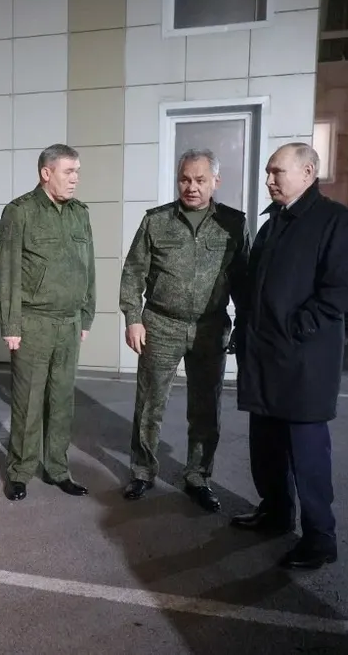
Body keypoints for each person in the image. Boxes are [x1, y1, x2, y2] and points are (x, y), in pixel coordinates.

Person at [230, 142, 348, 570]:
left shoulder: (336, 222)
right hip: (265, 357)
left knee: (307, 454)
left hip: (305, 361)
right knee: (266, 446)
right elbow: (257, 286)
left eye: (278, 172)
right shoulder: (273, 225)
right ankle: (275, 512)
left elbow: (344, 290)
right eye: (269, 172)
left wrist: (297, 328)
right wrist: (245, 329)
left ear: (308, 173)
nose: (270, 180)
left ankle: (320, 538)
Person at [118, 148, 251, 511]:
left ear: (215, 182)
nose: (191, 187)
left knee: (206, 407)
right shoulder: (156, 221)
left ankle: (198, 476)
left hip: (210, 328)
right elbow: (133, 274)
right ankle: (143, 471)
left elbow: (243, 280)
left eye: (200, 180)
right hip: (160, 324)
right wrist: (133, 318)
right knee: (149, 404)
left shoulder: (233, 224)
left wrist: (244, 323)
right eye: (185, 179)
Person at [0, 143, 96, 502]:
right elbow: (6, 271)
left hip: (68, 323)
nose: (75, 179)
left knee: (62, 400)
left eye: (77, 172)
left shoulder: (80, 213)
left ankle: (57, 468)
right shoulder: (19, 212)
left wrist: (87, 313)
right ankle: (20, 471)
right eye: (69, 172)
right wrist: (11, 324)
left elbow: (88, 267)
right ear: (46, 173)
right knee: (29, 401)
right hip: (33, 322)